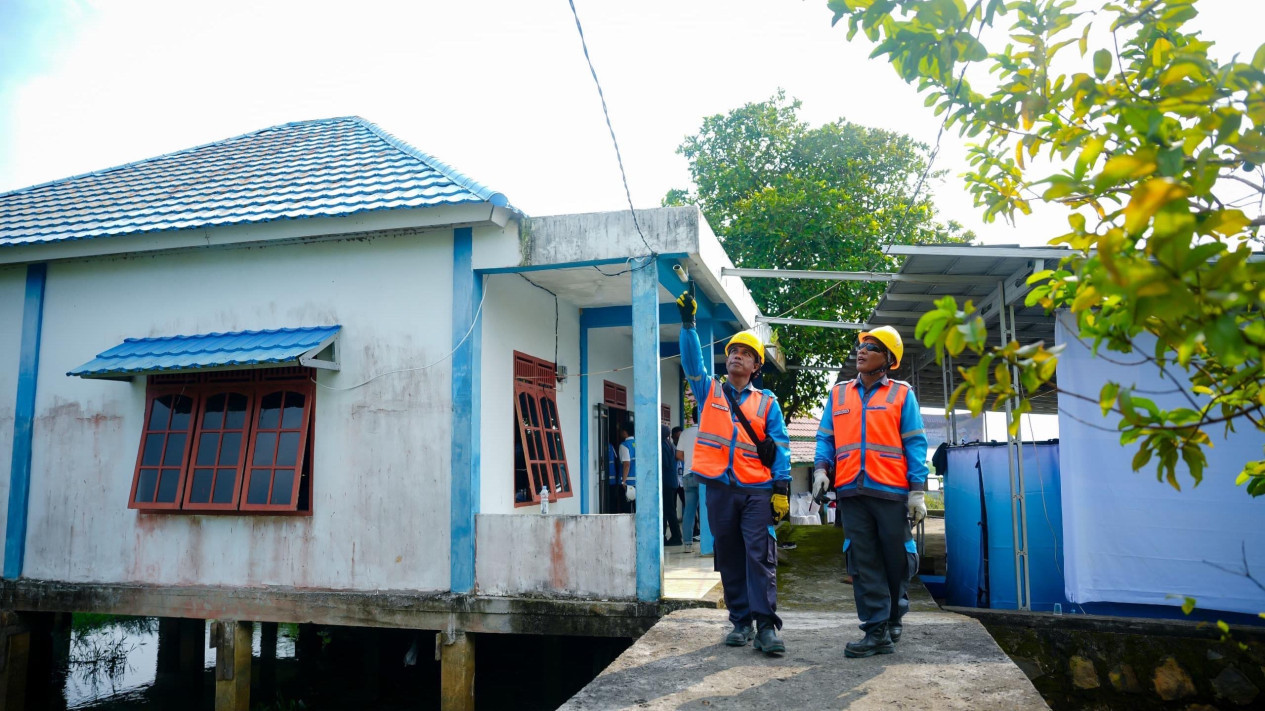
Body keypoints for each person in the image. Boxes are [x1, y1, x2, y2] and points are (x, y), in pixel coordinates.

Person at [676, 291, 792, 657]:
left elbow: (781, 447)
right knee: (728, 556)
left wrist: (781, 489)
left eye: (744, 354)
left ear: (756, 365)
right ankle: (740, 622)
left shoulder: (767, 402)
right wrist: (689, 326)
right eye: (731, 353)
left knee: (760, 556)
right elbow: (692, 361)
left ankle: (766, 627)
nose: (735, 356)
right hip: (720, 490)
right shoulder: (708, 390)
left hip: (757, 491)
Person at [813, 326, 928, 659]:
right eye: (860, 346)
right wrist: (821, 470)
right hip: (852, 491)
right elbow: (826, 438)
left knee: (896, 559)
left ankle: (894, 616)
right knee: (863, 562)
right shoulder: (838, 395)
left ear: (888, 359)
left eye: (871, 347)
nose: (861, 351)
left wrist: (916, 491)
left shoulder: (902, 394)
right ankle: (876, 629)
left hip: (891, 491)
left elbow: (915, 444)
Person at [676, 424, 701, 552]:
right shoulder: (706, 429)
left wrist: (689, 461)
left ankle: (687, 544)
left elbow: (679, 454)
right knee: (707, 510)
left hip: (688, 475)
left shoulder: (685, 433)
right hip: (703, 475)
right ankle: (708, 543)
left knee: (689, 511)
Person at [662, 424, 684, 546]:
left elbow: (665, 463)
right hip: (671, 481)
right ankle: (670, 536)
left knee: (668, 510)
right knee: (669, 510)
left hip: (666, 481)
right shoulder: (669, 444)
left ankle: (676, 536)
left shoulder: (663, 445)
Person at [618, 422, 637, 512]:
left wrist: (623, 481)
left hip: (628, 482)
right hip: (638, 481)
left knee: (626, 510)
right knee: (638, 508)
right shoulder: (638, 443)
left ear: (625, 432)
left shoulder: (624, 445)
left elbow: (626, 464)